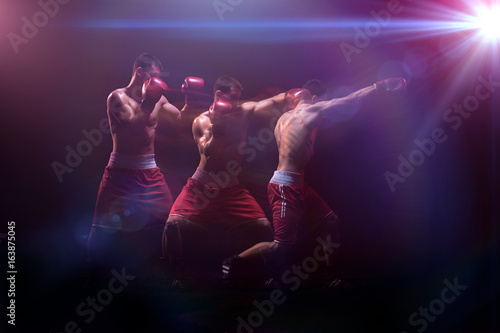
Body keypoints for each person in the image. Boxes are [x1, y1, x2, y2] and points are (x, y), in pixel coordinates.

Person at [222, 77, 407, 286]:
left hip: (298, 184)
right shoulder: (309, 112)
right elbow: (350, 99)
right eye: (323, 101)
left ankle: (330, 277)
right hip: (285, 186)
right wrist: (378, 87)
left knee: (330, 221)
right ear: (316, 99)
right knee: (281, 245)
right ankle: (235, 262)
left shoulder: (284, 118)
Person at [162, 75, 294, 285]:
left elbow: (271, 102)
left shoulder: (243, 111)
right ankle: (177, 273)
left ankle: (261, 274)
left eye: (238, 98)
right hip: (201, 188)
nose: (235, 103)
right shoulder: (202, 121)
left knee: (265, 228)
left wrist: (291, 97)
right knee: (172, 226)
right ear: (219, 96)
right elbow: (208, 152)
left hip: (232, 188)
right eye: (232, 98)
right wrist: (217, 126)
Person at [87, 53, 204, 282]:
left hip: (149, 171)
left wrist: (191, 100)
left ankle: (174, 271)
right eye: (152, 76)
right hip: (119, 171)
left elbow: (181, 120)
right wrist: (148, 100)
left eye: (158, 78)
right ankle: (90, 275)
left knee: (171, 222)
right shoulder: (117, 97)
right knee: (101, 226)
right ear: (139, 72)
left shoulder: (158, 99)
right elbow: (132, 126)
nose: (155, 81)